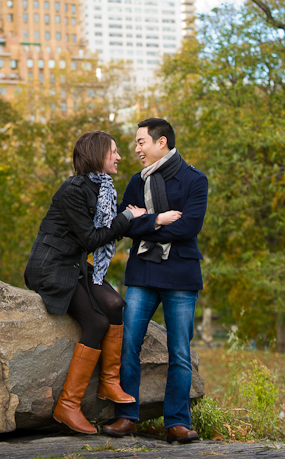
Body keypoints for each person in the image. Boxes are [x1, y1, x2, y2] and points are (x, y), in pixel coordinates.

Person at [25, 130, 145, 434]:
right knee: (96, 322)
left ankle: (108, 383)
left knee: (116, 305)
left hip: (75, 264)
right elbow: (92, 237)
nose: (119, 157)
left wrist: (133, 217)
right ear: (96, 155)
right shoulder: (73, 190)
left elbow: (105, 225)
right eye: (113, 152)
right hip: (51, 267)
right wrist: (127, 218)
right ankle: (68, 404)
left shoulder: (102, 188)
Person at [103, 118, 208, 445]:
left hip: (180, 275)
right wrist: (158, 219)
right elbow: (123, 225)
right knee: (128, 343)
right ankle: (127, 417)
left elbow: (189, 227)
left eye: (140, 142)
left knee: (179, 350)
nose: (135, 149)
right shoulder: (136, 181)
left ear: (161, 142)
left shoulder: (195, 180)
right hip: (143, 273)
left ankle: (177, 422)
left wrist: (143, 221)